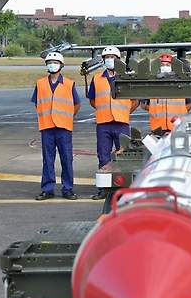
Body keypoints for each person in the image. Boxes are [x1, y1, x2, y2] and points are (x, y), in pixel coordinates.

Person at [88, 46, 139, 200]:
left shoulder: (126, 77)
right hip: (103, 122)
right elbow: (92, 99)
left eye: (112, 57)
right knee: (103, 156)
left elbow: (135, 100)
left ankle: (124, 188)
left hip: (121, 122)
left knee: (124, 155)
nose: (110, 60)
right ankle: (104, 189)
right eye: (107, 57)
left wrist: (124, 112)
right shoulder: (97, 78)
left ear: (118, 59)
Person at [31, 52, 80, 201]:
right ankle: (47, 189)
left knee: (66, 159)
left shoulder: (69, 84)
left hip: (63, 128)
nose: (52, 65)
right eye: (50, 62)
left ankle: (68, 188)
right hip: (47, 127)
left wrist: (66, 117)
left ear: (61, 65)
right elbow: (37, 103)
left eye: (55, 62)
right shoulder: (40, 84)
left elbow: (76, 104)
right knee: (48, 159)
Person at [140, 53, 191, 135]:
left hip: (177, 126)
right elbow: (143, 104)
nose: (165, 67)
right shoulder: (151, 84)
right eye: (162, 65)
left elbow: (189, 104)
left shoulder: (181, 84)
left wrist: (180, 112)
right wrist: (154, 111)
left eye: (167, 65)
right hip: (157, 127)